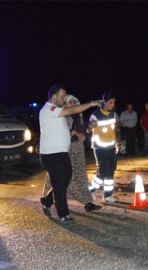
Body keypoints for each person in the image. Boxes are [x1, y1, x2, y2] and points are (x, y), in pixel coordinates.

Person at [39, 85, 102, 224]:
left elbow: (72, 118)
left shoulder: (58, 111)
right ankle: (64, 214)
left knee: (65, 181)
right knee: (60, 184)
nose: (64, 99)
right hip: (51, 154)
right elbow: (72, 109)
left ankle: (46, 200)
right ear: (54, 97)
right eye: (62, 97)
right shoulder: (49, 109)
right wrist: (91, 103)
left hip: (61, 153)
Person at [88, 92, 121, 203]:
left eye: (114, 103)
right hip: (99, 147)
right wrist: (89, 126)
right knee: (101, 172)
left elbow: (114, 130)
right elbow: (88, 128)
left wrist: (116, 143)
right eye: (110, 103)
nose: (112, 105)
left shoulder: (113, 114)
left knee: (110, 172)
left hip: (111, 146)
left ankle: (107, 196)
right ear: (104, 103)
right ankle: (91, 189)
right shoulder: (95, 115)